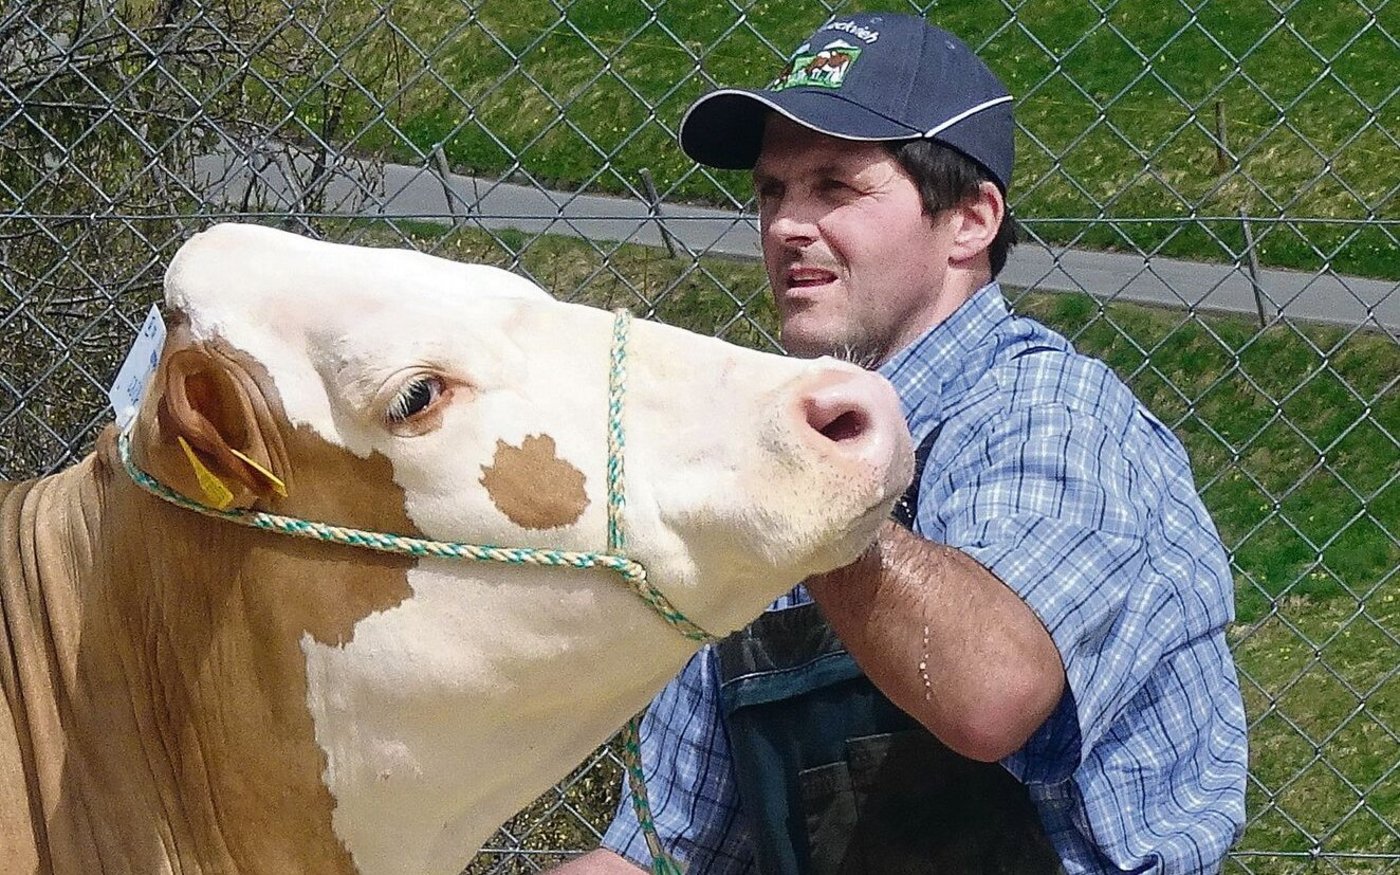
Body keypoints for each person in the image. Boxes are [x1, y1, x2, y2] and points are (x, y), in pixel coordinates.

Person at [555, 11, 1247, 874]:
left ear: (971, 220)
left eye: (835, 187)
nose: (787, 226)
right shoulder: (765, 460)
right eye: (772, 191)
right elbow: (662, 849)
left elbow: (992, 694)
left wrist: (811, 494)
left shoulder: (1053, 414)